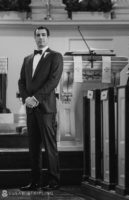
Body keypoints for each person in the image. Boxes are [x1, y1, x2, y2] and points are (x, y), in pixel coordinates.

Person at [18, 26, 63, 191]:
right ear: (34, 38)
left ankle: (53, 181)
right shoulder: (27, 59)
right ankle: (35, 181)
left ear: (48, 37)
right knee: (33, 147)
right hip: (31, 108)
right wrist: (26, 99)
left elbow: (53, 81)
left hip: (46, 108)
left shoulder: (56, 57)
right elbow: (21, 82)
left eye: (43, 35)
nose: (41, 37)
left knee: (50, 146)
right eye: (38, 35)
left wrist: (36, 98)